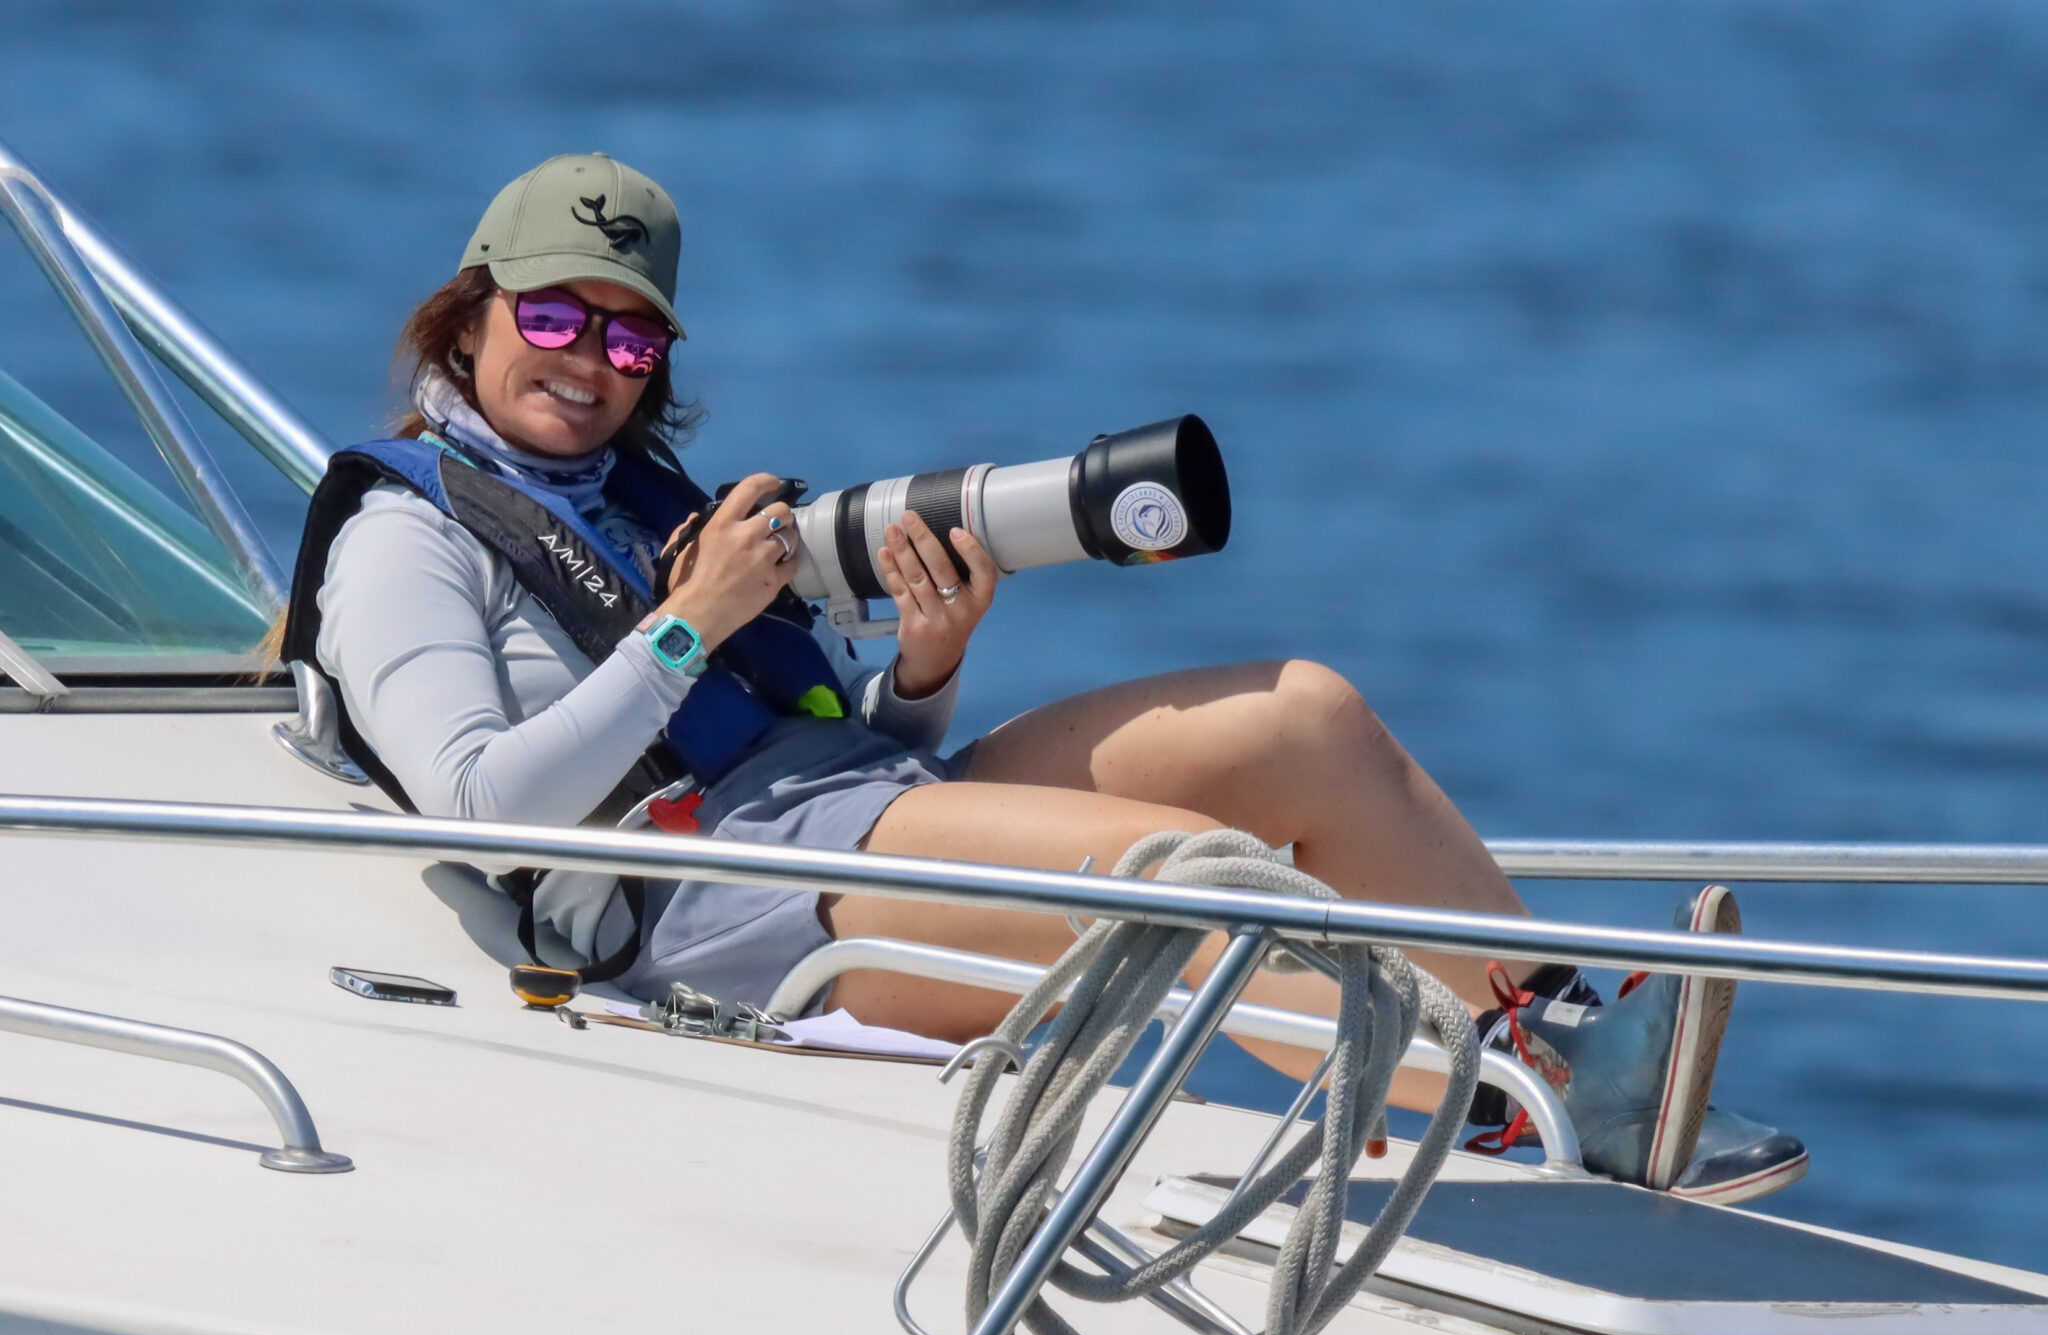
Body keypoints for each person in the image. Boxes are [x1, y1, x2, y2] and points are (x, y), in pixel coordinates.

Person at [280, 153, 1805, 1204]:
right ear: (468, 316)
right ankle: (1506, 1100)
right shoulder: (406, 533)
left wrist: (928, 672)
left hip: (849, 809)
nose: (587, 357)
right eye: (550, 315)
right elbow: (486, 810)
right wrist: (687, 624)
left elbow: (817, 744)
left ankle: (1561, 1037)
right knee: (1167, 874)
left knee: (1302, 716)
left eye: (625, 333)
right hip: (694, 892)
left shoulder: (646, 493)